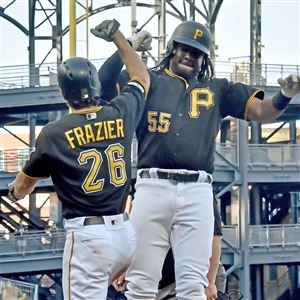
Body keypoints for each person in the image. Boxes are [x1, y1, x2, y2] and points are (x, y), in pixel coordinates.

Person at [96, 20, 300, 299]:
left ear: (204, 58)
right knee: (140, 283)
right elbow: (102, 83)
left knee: (194, 285)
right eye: (184, 48)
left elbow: (261, 111)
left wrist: (284, 96)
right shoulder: (148, 79)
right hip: (151, 185)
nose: (190, 55)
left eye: (197, 52)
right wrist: (126, 45)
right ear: (172, 48)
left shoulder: (219, 87)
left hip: (197, 189)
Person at [7, 19, 150, 300]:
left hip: (90, 241)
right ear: (97, 86)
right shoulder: (120, 111)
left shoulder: (53, 134)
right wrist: (121, 40)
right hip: (125, 236)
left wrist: (14, 191)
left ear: (63, 94)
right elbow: (141, 77)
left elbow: (23, 187)